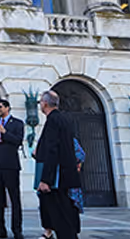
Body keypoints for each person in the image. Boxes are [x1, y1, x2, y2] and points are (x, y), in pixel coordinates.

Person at [35, 91, 82, 239]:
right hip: (66, 174)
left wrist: (45, 179)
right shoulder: (65, 119)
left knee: (60, 217)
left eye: (40, 102)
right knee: (66, 213)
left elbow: (52, 150)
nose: (40, 105)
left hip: (57, 177)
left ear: (45, 103)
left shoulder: (53, 120)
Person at [0, 98, 25, 239]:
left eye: (0, 107)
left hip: (10, 165)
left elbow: (18, 141)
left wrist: (4, 132)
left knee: (14, 199)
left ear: (7, 108)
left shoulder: (17, 123)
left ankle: (17, 230)